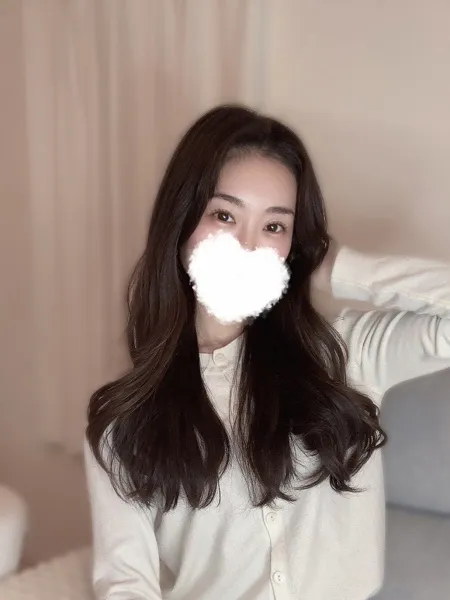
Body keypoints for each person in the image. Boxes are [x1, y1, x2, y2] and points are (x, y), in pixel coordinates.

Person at [84, 105, 450, 600]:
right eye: (224, 216)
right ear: (181, 222)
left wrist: (342, 268)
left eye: (274, 226)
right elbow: (126, 584)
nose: (249, 245)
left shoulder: (345, 354)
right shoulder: (123, 421)